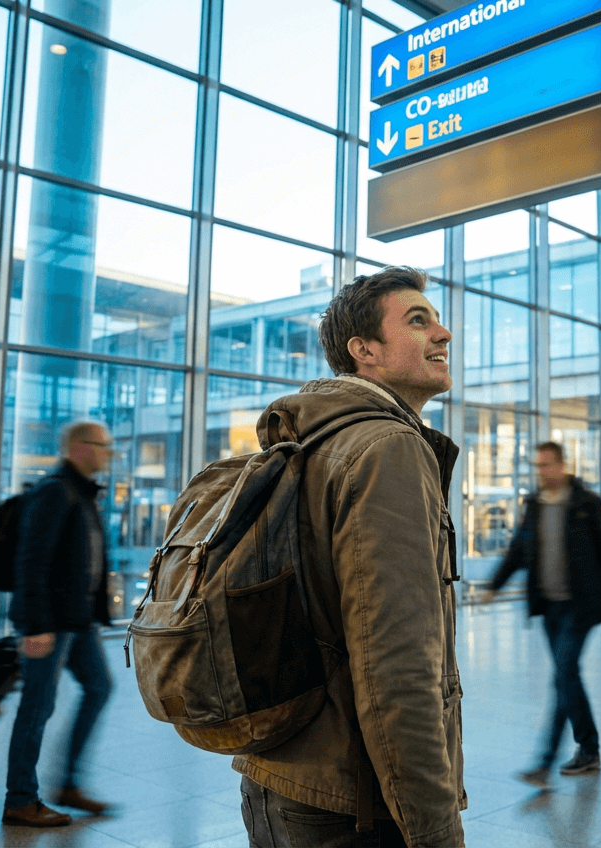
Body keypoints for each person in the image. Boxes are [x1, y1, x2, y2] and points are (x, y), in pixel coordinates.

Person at [234, 267, 464, 848]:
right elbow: (397, 662)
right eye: (418, 320)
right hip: (350, 804)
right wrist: (435, 830)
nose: (444, 333)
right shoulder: (387, 448)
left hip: (276, 776)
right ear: (365, 351)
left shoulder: (311, 440)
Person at [489, 441, 601, 790]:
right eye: (537, 466)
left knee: (564, 676)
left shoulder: (587, 504)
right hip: (549, 607)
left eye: (547, 465)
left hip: (581, 606)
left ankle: (545, 762)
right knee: (567, 679)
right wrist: (494, 584)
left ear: (563, 466)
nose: (541, 472)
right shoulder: (535, 505)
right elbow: (521, 549)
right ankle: (589, 748)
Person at [3, 420, 115, 827]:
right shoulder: (54, 491)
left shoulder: (81, 493)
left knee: (99, 687)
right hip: (49, 621)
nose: (109, 454)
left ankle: (68, 784)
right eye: (103, 447)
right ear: (78, 448)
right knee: (37, 706)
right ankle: (20, 799)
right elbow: (30, 563)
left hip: (77, 620)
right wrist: (35, 627)